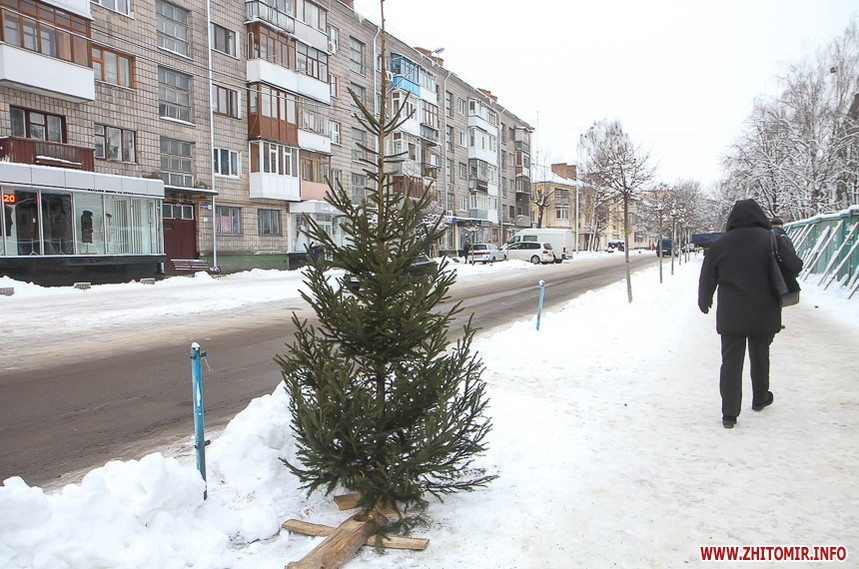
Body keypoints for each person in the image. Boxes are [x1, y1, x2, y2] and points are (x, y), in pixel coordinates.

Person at [697, 199, 803, 429]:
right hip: (764, 309)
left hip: (731, 313)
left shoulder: (720, 244)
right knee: (760, 353)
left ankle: (729, 414)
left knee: (731, 361)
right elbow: (795, 265)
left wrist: (704, 300)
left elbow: (707, 277)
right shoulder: (771, 238)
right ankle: (760, 398)